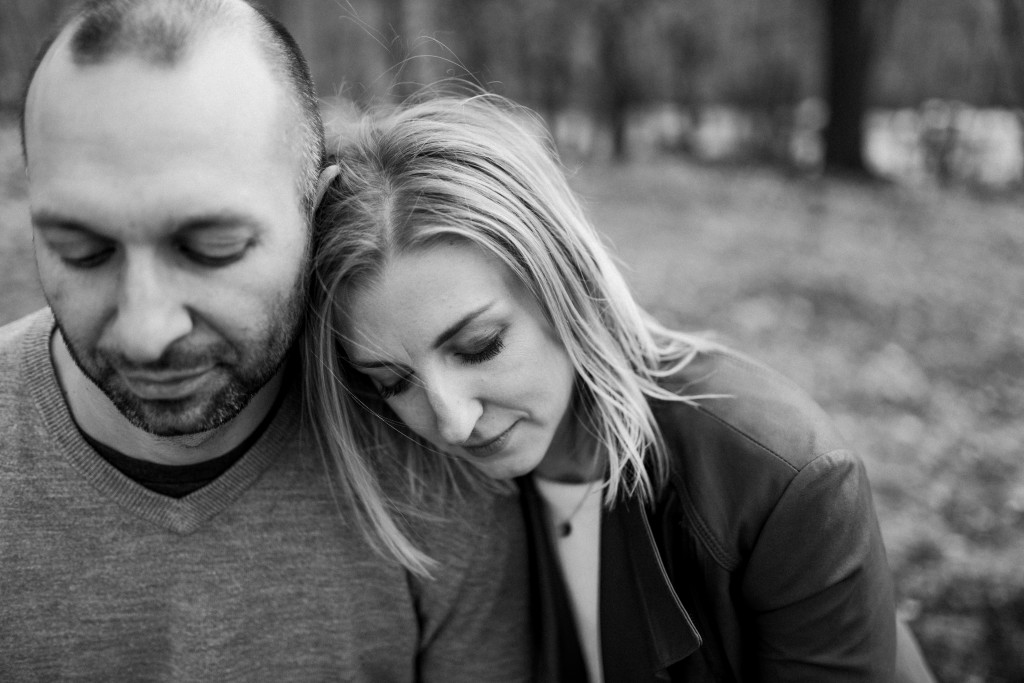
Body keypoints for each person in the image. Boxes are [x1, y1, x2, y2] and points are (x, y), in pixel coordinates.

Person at [305, 94, 937, 682]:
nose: (452, 422)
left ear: (565, 283)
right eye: (392, 382)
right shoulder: (440, 487)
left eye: (479, 347)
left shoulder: (780, 481)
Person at [1, 2, 532, 679]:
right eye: (81, 251)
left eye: (213, 247)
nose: (145, 330)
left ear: (315, 209)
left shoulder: (436, 456)